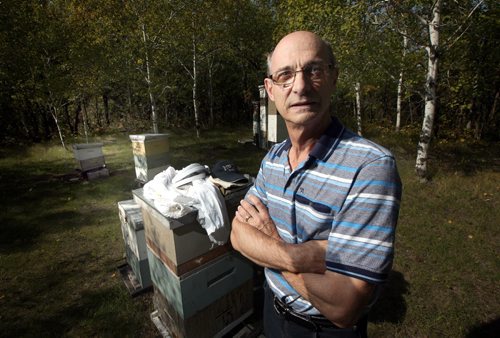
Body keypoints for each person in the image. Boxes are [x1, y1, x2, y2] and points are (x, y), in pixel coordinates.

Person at [230, 31, 402, 337]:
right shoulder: (273, 158)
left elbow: (343, 306)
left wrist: (273, 246)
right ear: (270, 89)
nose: (300, 85)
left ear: (334, 78)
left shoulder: (370, 167)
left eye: (314, 70)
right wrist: (300, 255)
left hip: (324, 330)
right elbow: (238, 235)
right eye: (285, 75)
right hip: (273, 311)